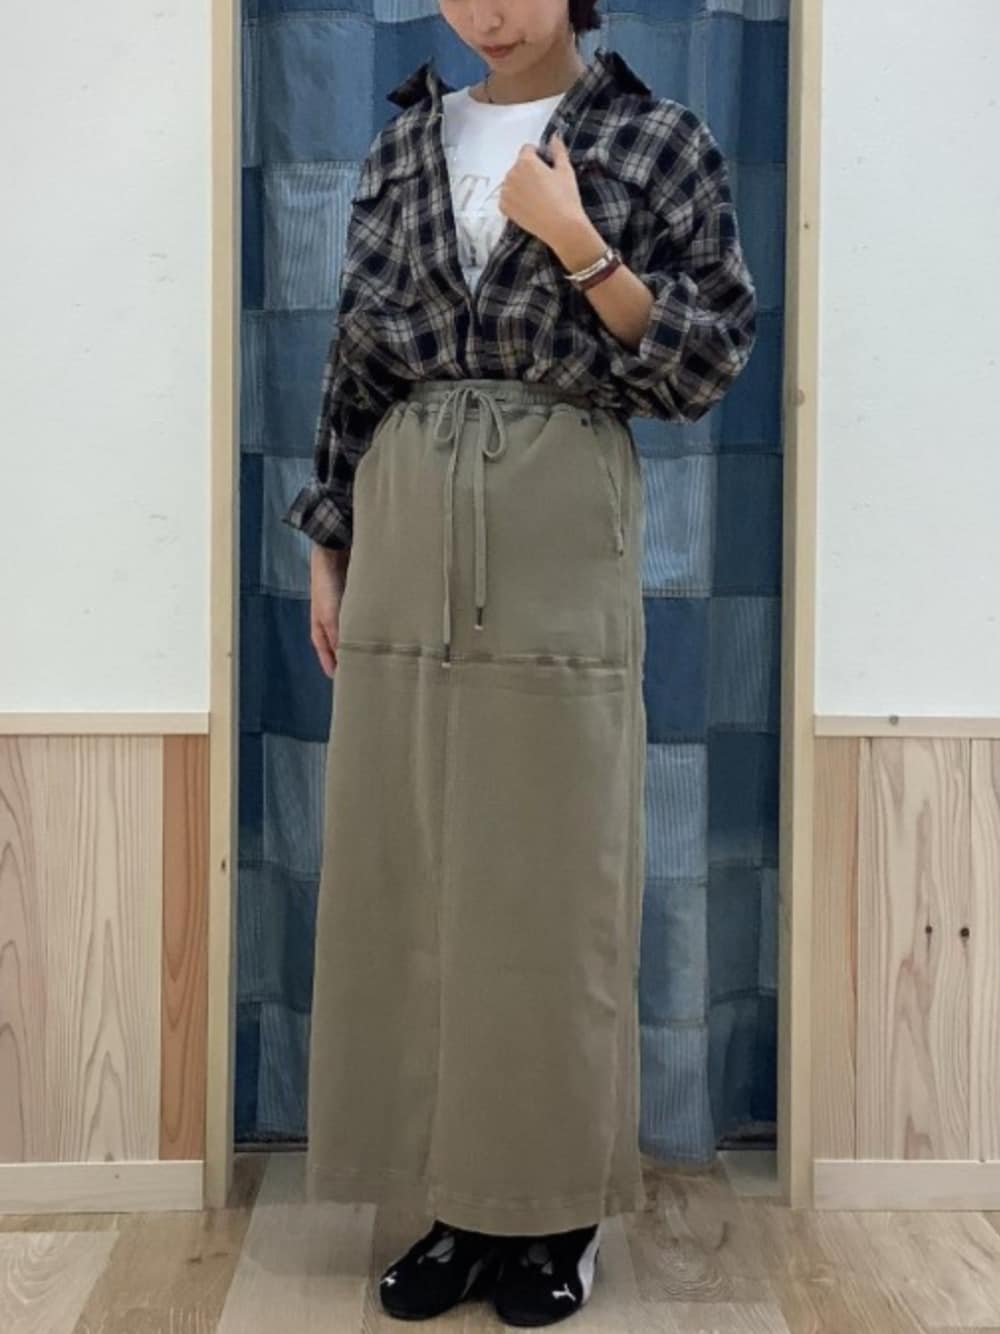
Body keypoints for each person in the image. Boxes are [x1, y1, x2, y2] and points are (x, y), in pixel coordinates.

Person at [282, 0, 757, 1325]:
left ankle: (552, 1207)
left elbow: (706, 362)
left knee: (550, 879)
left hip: (555, 510)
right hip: (407, 505)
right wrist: (332, 540)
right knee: (415, 867)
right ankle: (453, 1196)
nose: (487, 12)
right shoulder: (403, 147)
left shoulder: (658, 139)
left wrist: (579, 241)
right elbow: (356, 353)